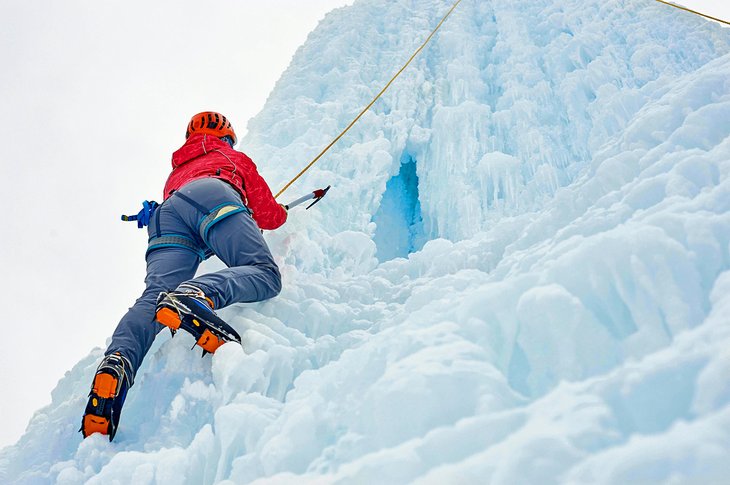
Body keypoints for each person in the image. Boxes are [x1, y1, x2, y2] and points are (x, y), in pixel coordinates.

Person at [81, 111, 287, 440]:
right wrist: (280, 212)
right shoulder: (231, 156)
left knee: (153, 297)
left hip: (165, 214)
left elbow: (191, 220)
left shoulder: (176, 171)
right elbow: (269, 215)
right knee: (264, 274)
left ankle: (118, 361)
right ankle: (193, 295)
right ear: (227, 136)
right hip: (213, 195)